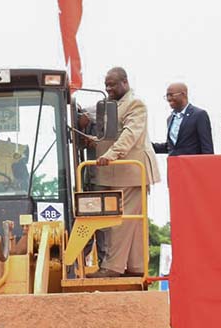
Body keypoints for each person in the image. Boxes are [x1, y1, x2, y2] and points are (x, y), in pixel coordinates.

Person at [90, 67, 161, 278]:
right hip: (117, 171)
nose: (108, 88)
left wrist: (111, 155)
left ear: (125, 82)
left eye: (112, 84)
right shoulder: (111, 106)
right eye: (106, 85)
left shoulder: (135, 104)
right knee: (133, 222)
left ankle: (112, 267)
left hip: (131, 170)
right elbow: (110, 134)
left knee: (121, 221)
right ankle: (136, 267)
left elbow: (130, 134)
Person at [152, 82, 214, 157]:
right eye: (167, 96)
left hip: (193, 166)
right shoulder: (170, 118)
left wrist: (206, 166)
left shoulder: (199, 115)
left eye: (171, 95)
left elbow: (207, 147)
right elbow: (172, 147)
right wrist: (147, 146)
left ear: (183, 94)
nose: (168, 99)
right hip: (175, 165)